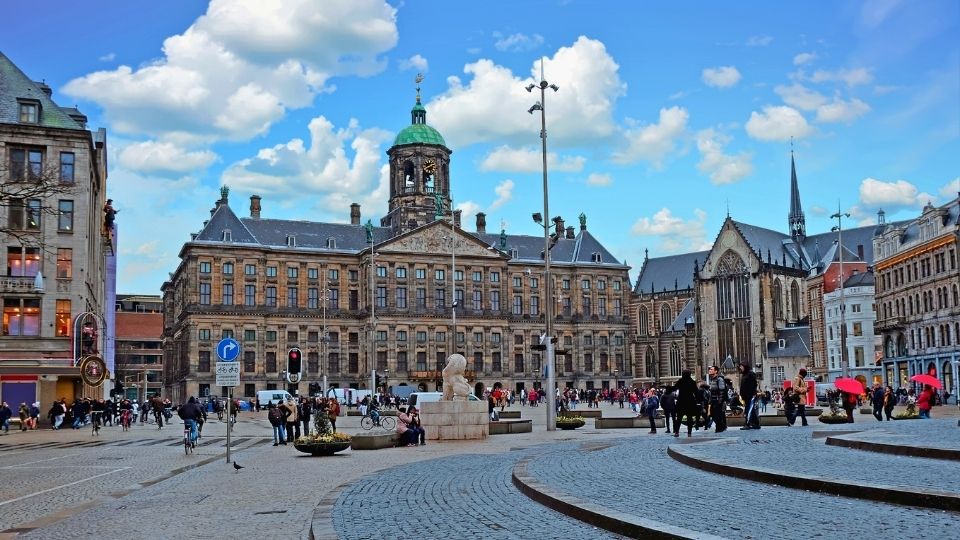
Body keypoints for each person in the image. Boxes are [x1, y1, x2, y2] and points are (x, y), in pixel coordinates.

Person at [673, 370, 699, 438]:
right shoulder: (692, 382)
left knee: (679, 418)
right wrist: (698, 401)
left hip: (681, 402)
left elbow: (674, 388)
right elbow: (696, 392)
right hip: (690, 402)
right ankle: (689, 433)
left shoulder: (680, 381)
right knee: (689, 418)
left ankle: (676, 432)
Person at [738, 361, 760, 430]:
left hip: (750, 395)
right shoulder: (744, 374)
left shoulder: (751, 374)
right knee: (751, 410)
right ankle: (756, 424)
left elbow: (754, 384)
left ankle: (747, 424)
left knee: (748, 410)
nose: (740, 368)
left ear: (745, 366)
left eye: (741, 366)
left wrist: (752, 393)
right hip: (746, 395)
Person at [707, 366, 727, 433]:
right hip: (713, 400)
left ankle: (719, 428)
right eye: (710, 369)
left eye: (711, 369)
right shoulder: (712, 379)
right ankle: (722, 426)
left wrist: (720, 401)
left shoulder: (719, 379)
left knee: (717, 415)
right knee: (713, 414)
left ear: (716, 371)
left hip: (718, 400)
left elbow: (722, 390)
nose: (710, 370)